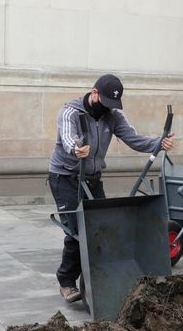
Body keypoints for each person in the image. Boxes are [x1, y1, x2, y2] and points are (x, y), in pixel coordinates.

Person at [48, 74, 175, 303]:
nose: (109, 108)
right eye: (105, 102)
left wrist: (159, 142)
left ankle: (98, 279)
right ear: (94, 93)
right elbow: (68, 137)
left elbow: (134, 139)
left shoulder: (113, 115)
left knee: (101, 226)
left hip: (93, 178)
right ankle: (66, 282)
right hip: (65, 177)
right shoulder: (70, 111)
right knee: (78, 230)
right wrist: (76, 149)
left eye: (112, 104)